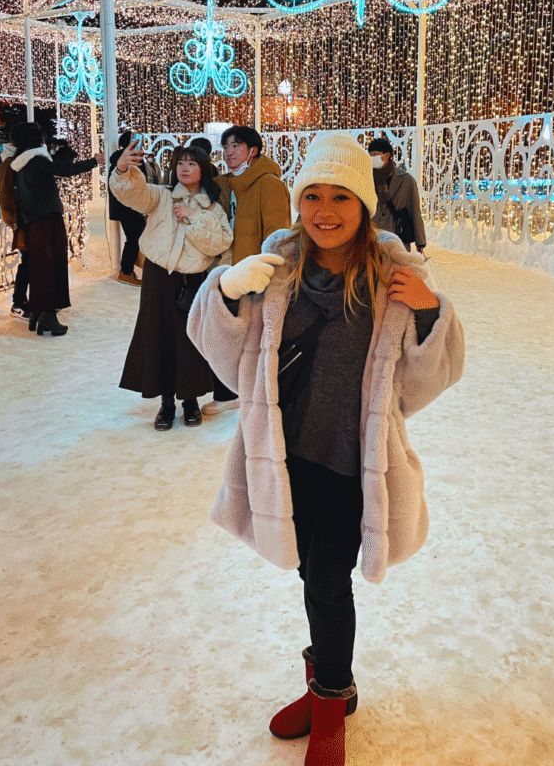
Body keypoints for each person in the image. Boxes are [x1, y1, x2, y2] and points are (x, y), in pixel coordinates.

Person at [187, 132, 464, 765]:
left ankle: (332, 697)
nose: (325, 209)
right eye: (312, 195)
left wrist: (428, 312)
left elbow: (425, 382)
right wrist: (227, 291)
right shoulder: (276, 269)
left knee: (330, 584)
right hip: (287, 456)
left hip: (351, 463)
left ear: (364, 205)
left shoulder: (393, 276)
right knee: (314, 575)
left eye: (341, 195)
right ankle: (328, 690)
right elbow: (229, 362)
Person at [111, 138, 233, 430]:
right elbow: (133, 194)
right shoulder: (162, 196)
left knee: (190, 340)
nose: (184, 168)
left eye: (191, 163)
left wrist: (193, 218)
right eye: (180, 162)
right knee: (159, 336)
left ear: (203, 170)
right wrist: (123, 168)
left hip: (193, 281)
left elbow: (220, 242)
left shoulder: (212, 208)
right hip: (158, 278)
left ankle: (189, 400)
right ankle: (166, 402)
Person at [207, 125, 291, 415]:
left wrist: (269, 275)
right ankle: (231, 389)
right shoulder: (226, 184)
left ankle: (241, 392)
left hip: (254, 274)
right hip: (226, 270)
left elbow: (278, 235)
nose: (229, 153)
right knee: (227, 331)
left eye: (235, 146)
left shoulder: (268, 184)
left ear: (253, 151)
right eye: (225, 147)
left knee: (249, 335)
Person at [10, 125, 104, 336]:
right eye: (43, 139)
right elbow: (66, 170)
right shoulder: (37, 160)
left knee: (40, 266)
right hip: (48, 220)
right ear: (37, 141)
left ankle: (38, 313)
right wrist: (94, 161)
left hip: (33, 222)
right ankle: (49, 316)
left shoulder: (21, 164)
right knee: (53, 266)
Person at [367, 136, 427, 253]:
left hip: (397, 236)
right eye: (370, 155)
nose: (372, 158)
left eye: (375, 154)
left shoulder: (406, 180)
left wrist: (420, 242)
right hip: (371, 237)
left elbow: (414, 210)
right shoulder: (365, 178)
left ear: (387, 155)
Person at [0, 121, 30, 319]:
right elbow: (5, 196)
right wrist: (14, 222)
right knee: (27, 262)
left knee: (29, 262)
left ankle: (22, 302)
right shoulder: (9, 163)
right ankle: (18, 303)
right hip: (22, 221)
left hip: (26, 219)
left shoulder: (16, 160)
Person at [109, 130, 147, 286]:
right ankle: (126, 271)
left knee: (133, 238)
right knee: (134, 239)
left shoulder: (117, 159)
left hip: (123, 205)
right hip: (129, 206)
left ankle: (127, 270)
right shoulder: (130, 159)